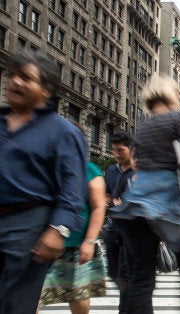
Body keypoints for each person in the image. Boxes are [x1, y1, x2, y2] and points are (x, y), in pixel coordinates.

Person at [0, 51, 87, 313]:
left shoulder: (63, 132)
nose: (15, 82)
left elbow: (73, 188)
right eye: (12, 75)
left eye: (26, 77)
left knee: (15, 302)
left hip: (29, 225)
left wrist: (58, 229)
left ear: (46, 90)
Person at [110, 75, 180, 314]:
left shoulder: (143, 126)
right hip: (169, 205)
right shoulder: (179, 118)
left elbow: (137, 163)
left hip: (136, 206)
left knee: (141, 277)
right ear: (172, 96)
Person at [39, 160, 107, 312]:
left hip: (76, 244)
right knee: (30, 294)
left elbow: (98, 206)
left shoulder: (89, 169)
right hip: (40, 242)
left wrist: (89, 241)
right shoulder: (41, 164)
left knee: (78, 294)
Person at [103, 131, 135, 313]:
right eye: (113, 150)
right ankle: (131, 302)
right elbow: (107, 195)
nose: (116, 154)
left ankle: (126, 308)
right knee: (113, 272)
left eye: (120, 150)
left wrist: (126, 204)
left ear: (131, 149)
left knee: (126, 272)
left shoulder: (139, 172)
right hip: (113, 228)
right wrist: (106, 201)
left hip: (132, 230)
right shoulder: (111, 171)